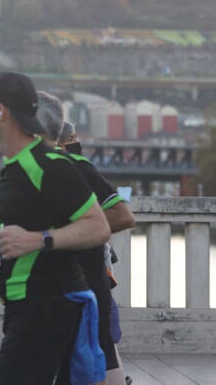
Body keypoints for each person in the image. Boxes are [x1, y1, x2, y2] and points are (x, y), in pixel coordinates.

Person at [0, 72, 110, 385]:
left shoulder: (48, 164)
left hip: (48, 303)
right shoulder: (17, 164)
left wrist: (38, 240)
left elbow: (98, 226)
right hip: (27, 302)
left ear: (1, 111)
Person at [37, 91, 135, 385]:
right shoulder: (28, 170)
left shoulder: (75, 167)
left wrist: (66, 237)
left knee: (100, 356)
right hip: (51, 292)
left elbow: (123, 215)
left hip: (86, 285)